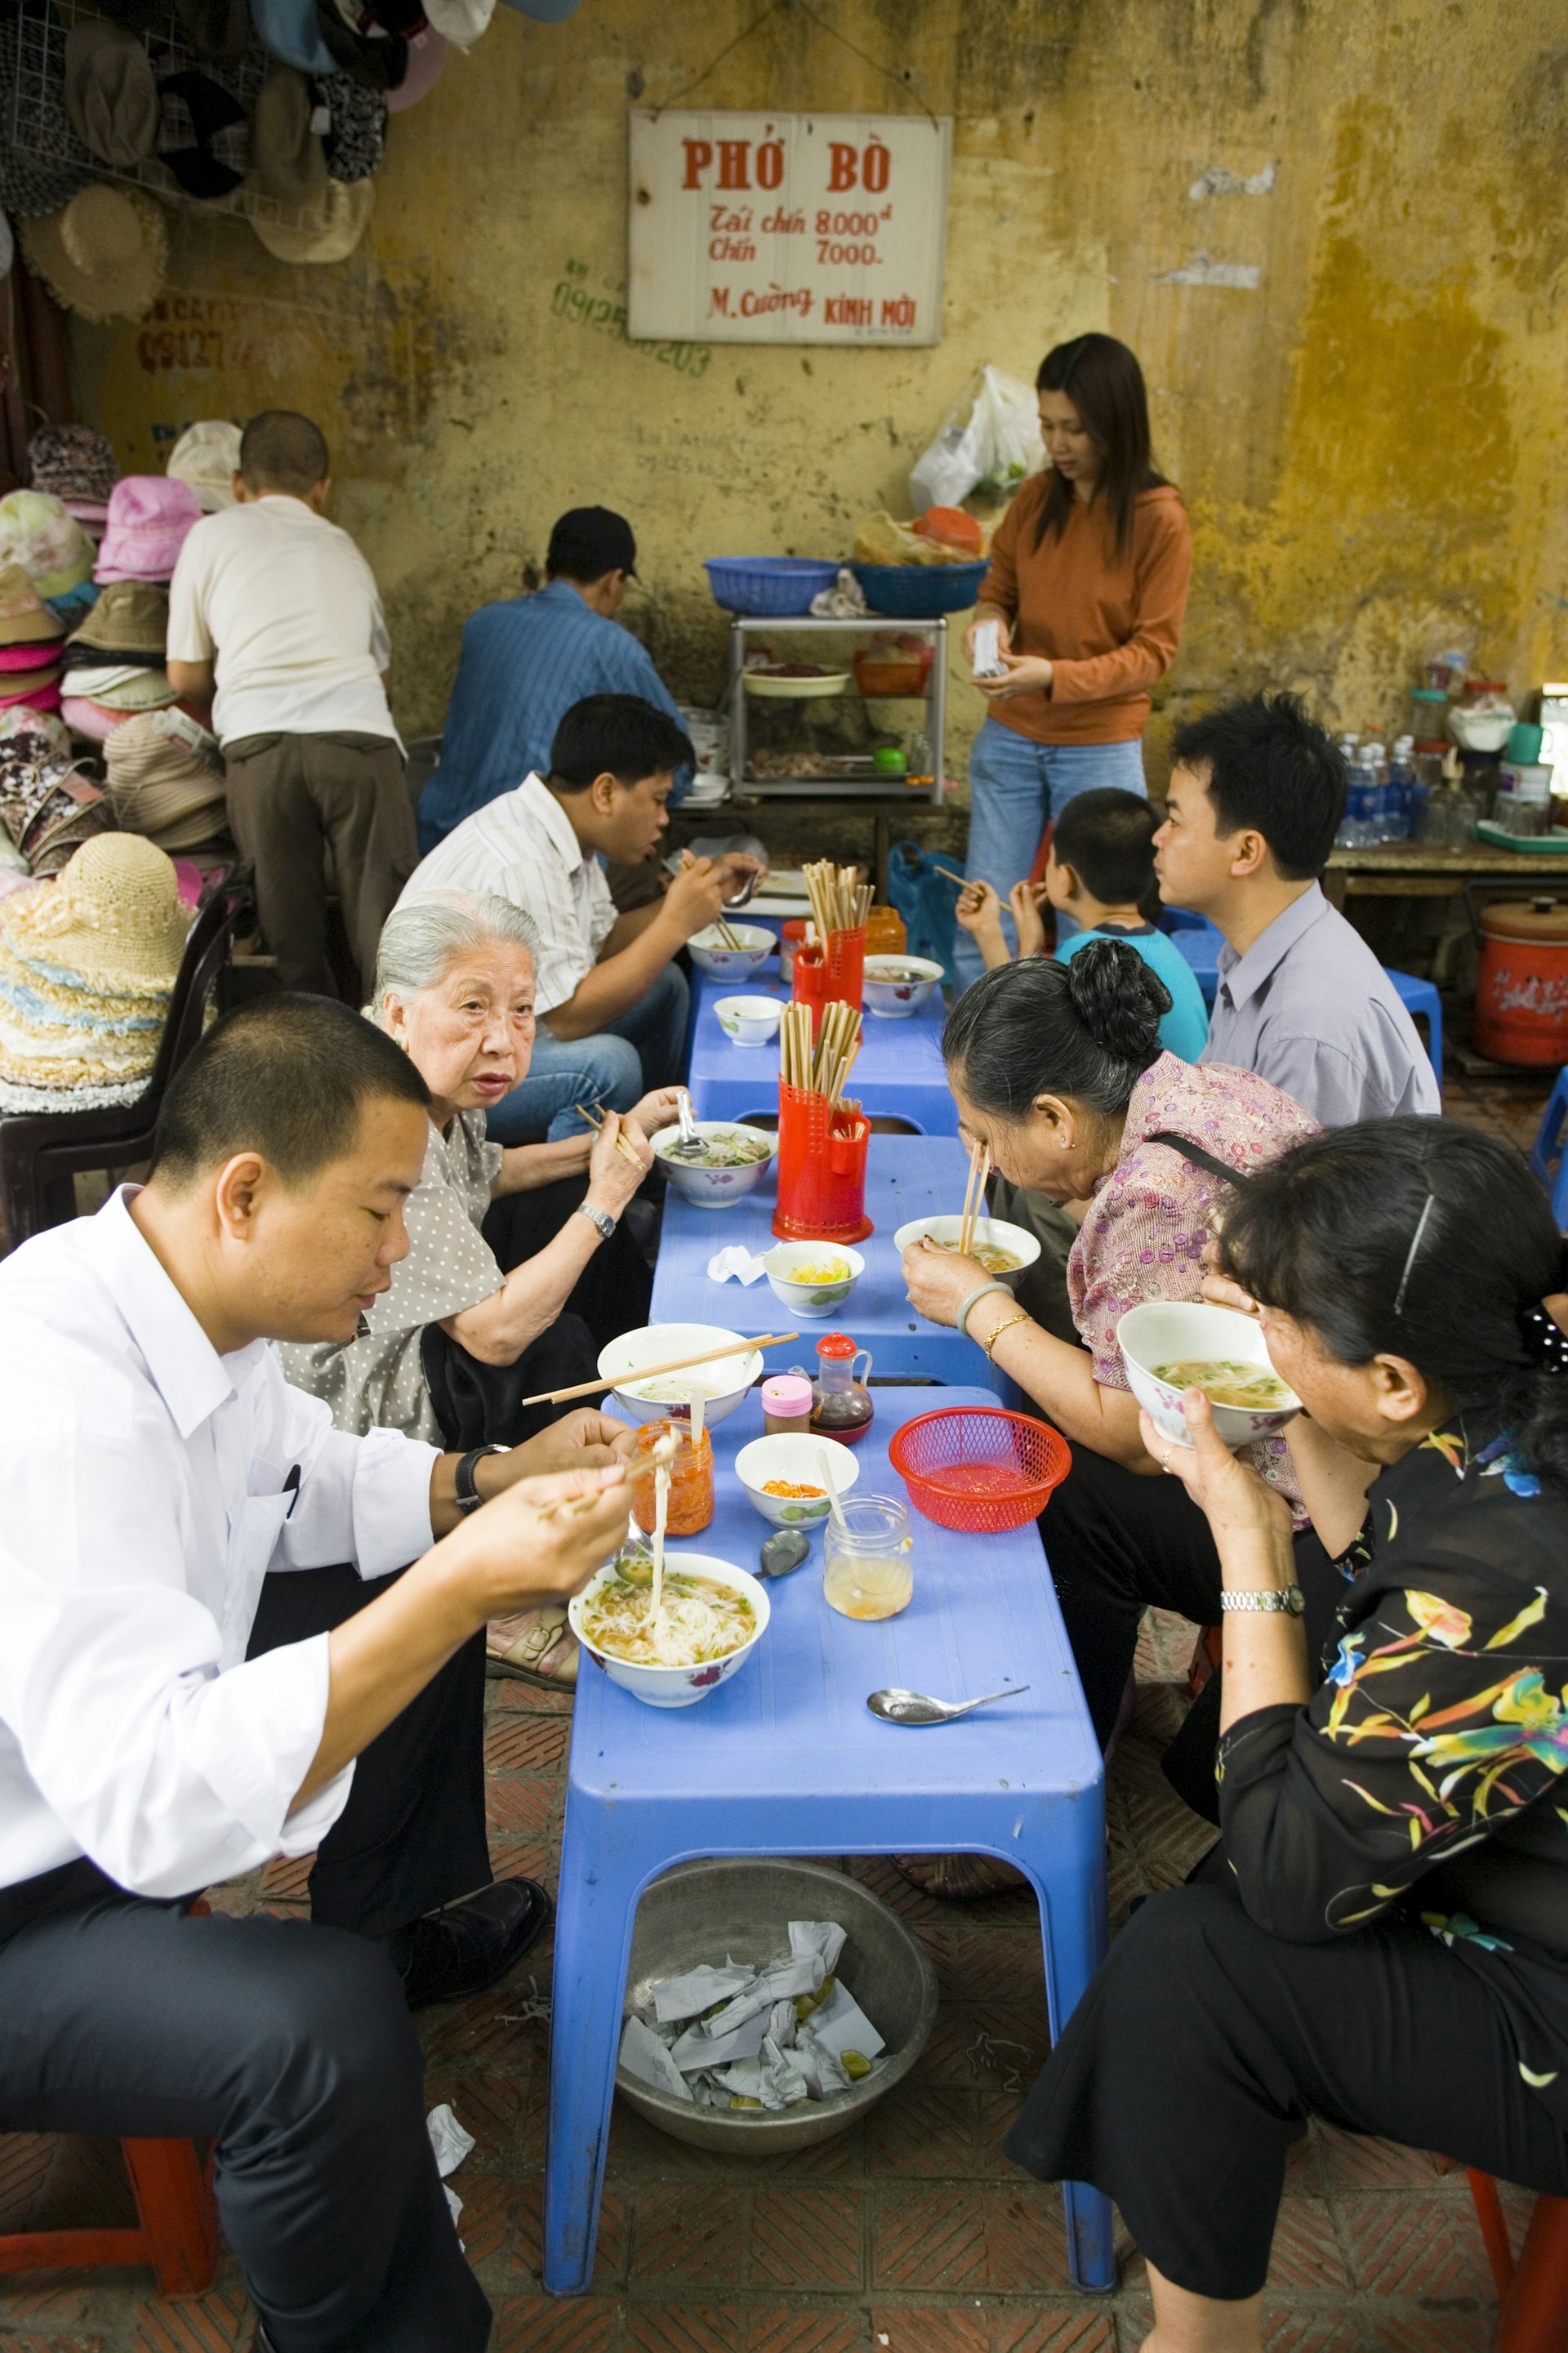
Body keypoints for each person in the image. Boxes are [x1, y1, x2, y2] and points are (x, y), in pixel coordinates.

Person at [0, 992, 636, 2352]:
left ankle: (399, 1917)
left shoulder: (182, 1304)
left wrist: (488, 1482)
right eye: (381, 1209)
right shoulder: (57, 1399)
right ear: (246, 1193)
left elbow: (310, 1475)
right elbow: (152, 1801)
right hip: (28, 1895)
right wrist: (466, 1578)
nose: (404, 1251)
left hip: (88, 1810)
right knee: (319, 2039)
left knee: (409, 1561)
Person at [1006, 1120, 1568, 2352]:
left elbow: (1295, 1879)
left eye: (1280, 1322)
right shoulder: (1517, 1381)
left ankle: (1199, 2342)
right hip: (1522, 1835)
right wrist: (1279, 1357)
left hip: (1546, 1988)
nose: (1256, 1330)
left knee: (1194, 1964)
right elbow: (1378, 1548)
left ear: (1395, 1382)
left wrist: (1247, 1547)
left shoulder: (1499, 1577)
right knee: (1226, 1859)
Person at [899, 943, 1316, 1889]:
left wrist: (976, 1305)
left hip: (1307, 1514)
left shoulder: (1148, 1200)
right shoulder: (1206, 1089)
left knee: (1069, 1487)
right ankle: (1095, 1704)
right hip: (1343, 1466)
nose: (983, 1160)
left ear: (1054, 1116)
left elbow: (1131, 1434)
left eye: (983, 1135)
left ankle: (1052, 1782)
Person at [280, 891, 676, 1691]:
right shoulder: (378, 1113)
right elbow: (492, 1335)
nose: (503, 1039)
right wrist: (605, 1198)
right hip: (351, 1402)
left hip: (399, 1334)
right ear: (397, 1010)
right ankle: (507, 1605)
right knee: (555, 1343)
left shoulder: (430, 1085)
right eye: (472, 1008)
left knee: (559, 1233)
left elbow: (490, 1173)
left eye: (523, 1011)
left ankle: (601, 1468)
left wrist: (616, 1136)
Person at [399, 694, 758, 1143]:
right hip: (430, 1073)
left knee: (664, 985)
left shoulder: (565, 834)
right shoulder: (523, 861)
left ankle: (661, 1148)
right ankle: (570, 1208)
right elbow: (567, 1016)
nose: (664, 819)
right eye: (658, 800)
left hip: (494, 1033)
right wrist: (675, 923)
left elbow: (600, 946)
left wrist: (689, 903)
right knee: (607, 1067)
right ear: (605, 792)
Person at [953, 333, 1193, 989]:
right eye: (1047, 426)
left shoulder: (1158, 519)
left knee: (1102, 935)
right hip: (1012, 736)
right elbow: (996, 592)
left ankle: (1089, 1076)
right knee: (987, 916)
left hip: (1100, 742)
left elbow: (1152, 653)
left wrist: (1052, 676)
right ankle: (980, 1066)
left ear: (1115, 425)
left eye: (1075, 429)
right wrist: (990, 631)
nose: (1057, 444)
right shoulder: (1035, 499)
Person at [167, 409, 416, 1002]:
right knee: (387, 930)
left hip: (261, 746)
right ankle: (400, 1058)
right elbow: (381, 677)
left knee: (290, 938)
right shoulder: (343, 545)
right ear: (322, 490)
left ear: (237, 484)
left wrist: (239, 698)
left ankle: (319, 1070)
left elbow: (183, 674)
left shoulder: (210, 535)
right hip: (359, 742)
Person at [1154, 691, 1442, 1122]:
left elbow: (1272, 1188)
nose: (1159, 837)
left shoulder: (1306, 1027)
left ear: (1246, 852)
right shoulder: (1256, 948)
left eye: (1175, 822)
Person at [417, 504, 693, 849]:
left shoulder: (482, 623)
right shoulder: (612, 644)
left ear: (548, 570)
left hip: (443, 834)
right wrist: (664, 796)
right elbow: (676, 759)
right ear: (613, 582)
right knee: (647, 868)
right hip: (531, 845)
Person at [955, 787, 1209, 1058]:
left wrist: (1005, 938)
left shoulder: (1085, 958)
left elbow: (1018, 1042)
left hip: (1147, 1101)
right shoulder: (1163, 946)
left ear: (1065, 878)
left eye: (1051, 860)